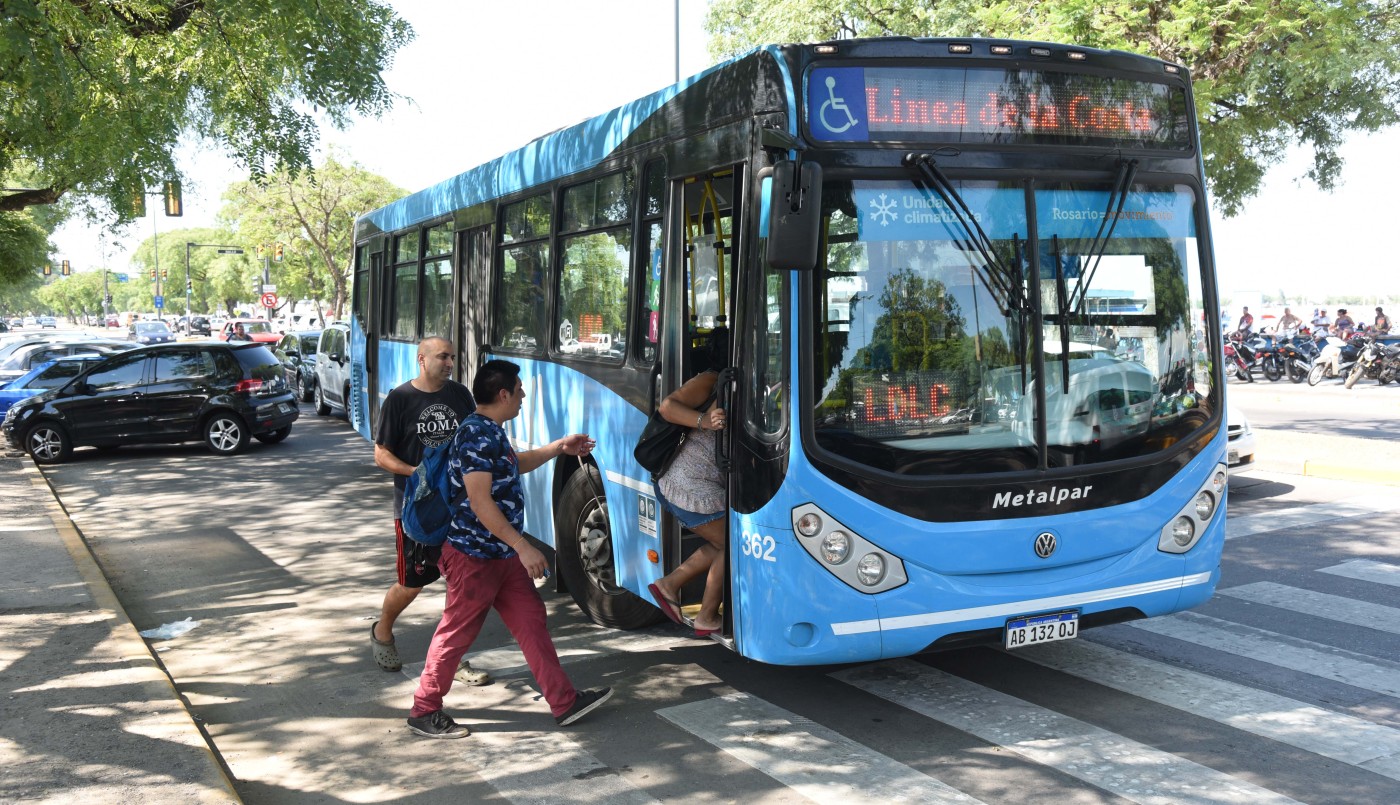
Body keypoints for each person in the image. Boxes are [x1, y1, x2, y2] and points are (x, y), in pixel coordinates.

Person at [406, 359, 610, 738]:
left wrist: (558, 448)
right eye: (518, 390)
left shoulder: (489, 431)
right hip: (474, 557)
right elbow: (481, 501)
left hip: (500, 555)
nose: (523, 395)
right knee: (456, 634)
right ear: (503, 394)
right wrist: (523, 547)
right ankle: (424, 709)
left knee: (531, 623)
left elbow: (513, 465)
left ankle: (564, 702)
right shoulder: (476, 435)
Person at [369, 337, 490, 687]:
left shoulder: (460, 395)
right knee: (411, 584)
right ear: (422, 359)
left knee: (460, 583)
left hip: (458, 506)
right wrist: (415, 472)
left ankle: (452, 657)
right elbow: (381, 455)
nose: (450, 362)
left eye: (452, 357)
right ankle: (382, 631)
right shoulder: (400, 399)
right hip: (416, 509)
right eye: (442, 357)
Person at [645, 328, 729, 638]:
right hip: (687, 484)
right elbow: (668, 407)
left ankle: (669, 584)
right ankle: (707, 616)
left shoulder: (740, 380)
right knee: (732, 543)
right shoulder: (711, 378)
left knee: (723, 541)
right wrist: (703, 421)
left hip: (702, 480)